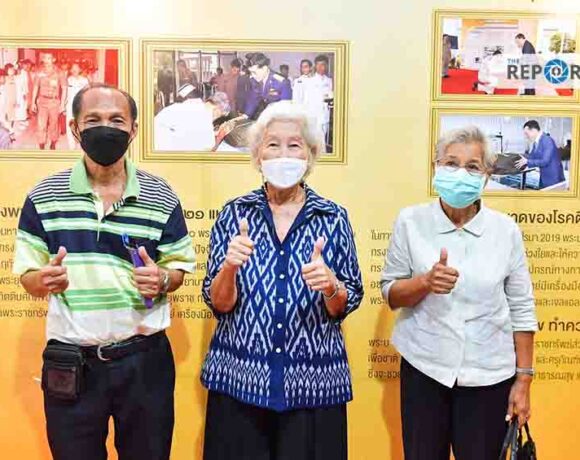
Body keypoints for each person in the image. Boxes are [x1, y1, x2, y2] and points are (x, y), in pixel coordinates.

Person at [13, 83, 195, 460]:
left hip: (144, 360)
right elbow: (28, 276)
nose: (105, 128)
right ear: (74, 127)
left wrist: (162, 280)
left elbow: (177, 267)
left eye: (116, 120)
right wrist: (42, 279)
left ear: (134, 129)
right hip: (71, 361)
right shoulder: (44, 196)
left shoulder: (161, 195)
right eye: (93, 120)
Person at [201, 101, 364, 460]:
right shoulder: (234, 213)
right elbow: (219, 304)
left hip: (314, 388)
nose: (283, 154)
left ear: (311, 155)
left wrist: (331, 286)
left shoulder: (333, 217)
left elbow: (345, 303)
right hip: (239, 382)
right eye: (273, 144)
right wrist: (229, 268)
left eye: (295, 145)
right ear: (257, 155)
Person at [381, 126, 537, 460]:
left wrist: (523, 381)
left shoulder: (505, 231)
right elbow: (391, 294)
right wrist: (425, 282)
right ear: (436, 166)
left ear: (487, 175)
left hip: (489, 377)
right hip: (425, 371)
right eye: (451, 163)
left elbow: (522, 308)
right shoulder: (410, 221)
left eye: (472, 166)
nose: (460, 173)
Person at [154, 84, 231, 151]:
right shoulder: (205, 119)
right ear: (217, 110)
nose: (215, 119)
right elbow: (208, 148)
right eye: (218, 116)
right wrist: (220, 136)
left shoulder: (181, 107)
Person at [31, 52, 67, 150]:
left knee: (53, 124)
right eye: (44, 58)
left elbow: (64, 88)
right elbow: (35, 87)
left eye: (48, 58)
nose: (46, 60)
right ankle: (41, 143)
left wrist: (62, 104)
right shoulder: (39, 72)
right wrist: (33, 102)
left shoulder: (60, 72)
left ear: (53, 59)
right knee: (41, 125)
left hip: (54, 102)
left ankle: (53, 142)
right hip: (42, 101)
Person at [515, 120, 565, 188]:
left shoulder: (547, 140)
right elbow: (532, 156)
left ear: (533, 130)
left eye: (527, 133)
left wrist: (527, 161)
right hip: (544, 177)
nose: (526, 136)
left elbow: (545, 161)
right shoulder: (536, 142)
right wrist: (516, 156)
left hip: (553, 179)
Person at [242, 52, 292, 119]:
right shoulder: (255, 80)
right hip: (267, 115)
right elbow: (253, 99)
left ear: (264, 68)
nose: (252, 76)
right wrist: (245, 116)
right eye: (251, 73)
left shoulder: (281, 82)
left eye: (254, 72)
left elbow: (286, 108)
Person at [65, 62, 90, 149]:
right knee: (70, 124)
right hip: (70, 105)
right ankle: (71, 145)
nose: (74, 70)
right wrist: (64, 106)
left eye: (76, 68)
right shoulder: (68, 80)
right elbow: (65, 93)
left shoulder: (85, 80)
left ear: (80, 69)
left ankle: (80, 143)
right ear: (70, 70)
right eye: (72, 68)